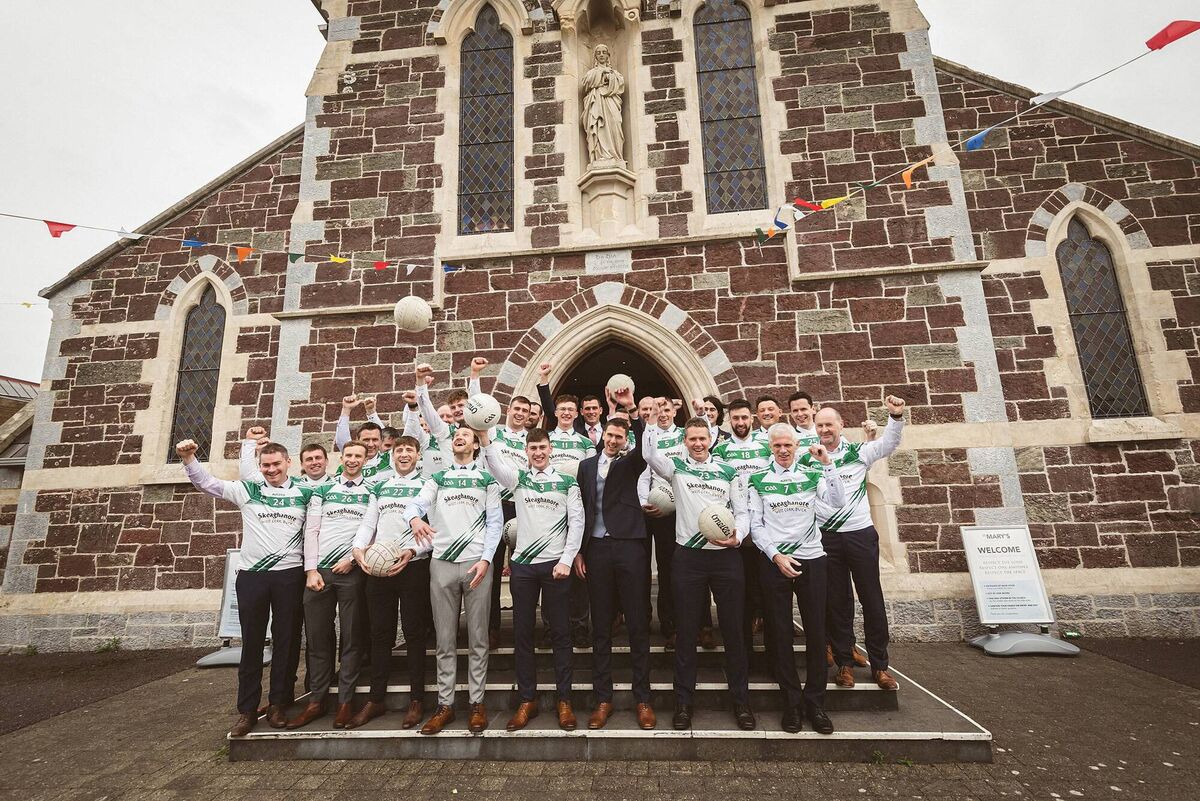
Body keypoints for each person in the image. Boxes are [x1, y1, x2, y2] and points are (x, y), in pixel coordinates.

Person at [177, 436, 314, 737]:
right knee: (251, 644)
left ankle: (278, 704)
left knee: (287, 641)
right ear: (259, 466)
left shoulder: (305, 492)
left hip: (290, 575)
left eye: (277, 464)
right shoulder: (248, 489)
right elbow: (208, 484)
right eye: (265, 465)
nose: (271, 469)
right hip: (252, 576)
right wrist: (189, 460)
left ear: (289, 463)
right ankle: (247, 711)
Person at [403, 365, 502, 735]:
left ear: (477, 443)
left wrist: (487, 560)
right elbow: (415, 505)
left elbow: (495, 524)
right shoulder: (438, 477)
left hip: (477, 565)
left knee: (477, 640)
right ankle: (445, 705)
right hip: (442, 565)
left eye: (466, 434)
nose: (459, 437)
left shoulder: (487, 478)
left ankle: (477, 704)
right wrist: (414, 520)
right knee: (445, 641)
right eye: (456, 435)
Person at [643, 409, 754, 731]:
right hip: (688, 558)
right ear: (684, 441)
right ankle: (684, 703)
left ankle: (741, 701)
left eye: (702, 438)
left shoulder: (728, 470)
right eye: (692, 439)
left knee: (733, 631)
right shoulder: (675, 468)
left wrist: (739, 536)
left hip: (725, 558)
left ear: (712, 440)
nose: (697, 444)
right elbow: (649, 453)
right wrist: (649, 419)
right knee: (687, 632)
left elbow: (742, 510)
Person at [740, 424, 845, 735]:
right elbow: (756, 526)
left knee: (815, 633)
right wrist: (775, 556)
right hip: (775, 562)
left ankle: (815, 703)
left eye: (788, 445)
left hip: (812, 559)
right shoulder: (757, 479)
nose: (783, 451)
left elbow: (838, 501)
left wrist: (828, 464)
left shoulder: (812, 474)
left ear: (796, 446)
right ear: (770, 448)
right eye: (777, 446)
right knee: (780, 633)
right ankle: (791, 703)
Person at [480, 427, 584, 731]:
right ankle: (528, 700)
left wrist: (566, 560)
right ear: (526, 452)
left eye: (542, 447)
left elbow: (577, 522)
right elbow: (495, 463)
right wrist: (485, 438)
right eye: (533, 448)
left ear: (550, 449)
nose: (538, 452)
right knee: (523, 635)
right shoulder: (518, 479)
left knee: (561, 634)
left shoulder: (567, 481)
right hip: (523, 567)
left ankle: (565, 700)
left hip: (555, 567)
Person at [573, 391, 657, 730]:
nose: (612, 440)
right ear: (602, 435)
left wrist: (633, 408)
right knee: (601, 625)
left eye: (619, 437)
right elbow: (580, 510)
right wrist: (578, 550)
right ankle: (602, 698)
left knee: (637, 623)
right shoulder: (585, 465)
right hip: (596, 548)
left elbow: (646, 449)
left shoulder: (632, 462)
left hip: (630, 547)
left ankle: (643, 698)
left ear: (625, 441)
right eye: (609, 434)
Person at [815, 396, 906, 691]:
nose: (825, 429)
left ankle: (880, 666)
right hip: (827, 538)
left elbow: (888, 445)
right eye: (820, 425)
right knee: (838, 603)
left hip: (860, 535)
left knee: (872, 601)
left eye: (829, 424)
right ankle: (844, 664)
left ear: (841, 426)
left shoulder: (858, 452)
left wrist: (895, 417)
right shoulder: (809, 457)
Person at [346, 434, 432, 730]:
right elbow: (369, 523)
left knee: (413, 632)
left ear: (418, 455)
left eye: (410, 449)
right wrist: (358, 549)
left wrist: (412, 551)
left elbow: (434, 531)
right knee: (380, 633)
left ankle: (416, 698)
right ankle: (376, 698)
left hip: (413, 565)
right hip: (379, 568)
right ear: (392, 454)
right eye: (399, 450)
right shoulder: (380, 485)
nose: (404, 454)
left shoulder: (427, 486)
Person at [286, 440, 372, 730]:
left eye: (358, 456)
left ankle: (345, 703)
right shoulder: (323, 490)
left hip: (352, 571)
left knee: (351, 639)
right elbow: (311, 530)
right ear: (341, 457)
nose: (352, 460)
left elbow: (370, 529)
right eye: (348, 455)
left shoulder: (371, 490)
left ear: (365, 459)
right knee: (318, 639)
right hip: (320, 573)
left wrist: (353, 559)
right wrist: (310, 569)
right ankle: (315, 701)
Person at [640, 397, 716, 650]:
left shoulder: (687, 436)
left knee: (699, 566)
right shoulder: (650, 436)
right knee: (667, 570)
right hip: (662, 512)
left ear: (675, 411)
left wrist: (701, 413)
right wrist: (643, 501)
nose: (662, 414)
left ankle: (704, 627)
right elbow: (645, 469)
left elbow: (707, 440)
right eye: (657, 410)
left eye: (666, 410)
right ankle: (670, 626)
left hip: (691, 508)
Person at [535, 361, 596, 647]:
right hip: (549, 505)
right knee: (551, 564)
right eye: (562, 411)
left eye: (571, 411)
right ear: (555, 414)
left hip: (578, 503)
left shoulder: (585, 442)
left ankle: (580, 625)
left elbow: (590, 472)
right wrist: (544, 379)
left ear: (577, 414)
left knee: (576, 564)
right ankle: (550, 626)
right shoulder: (546, 440)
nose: (567, 414)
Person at [711, 400, 772, 658]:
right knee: (741, 593)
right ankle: (743, 652)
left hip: (765, 525)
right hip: (735, 527)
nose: (740, 423)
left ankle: (772, 653)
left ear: (753, 418)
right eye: (735, 418)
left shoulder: (765, 447)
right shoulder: (722, 450)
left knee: (767, 591)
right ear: (729, 421)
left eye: (745, 418)